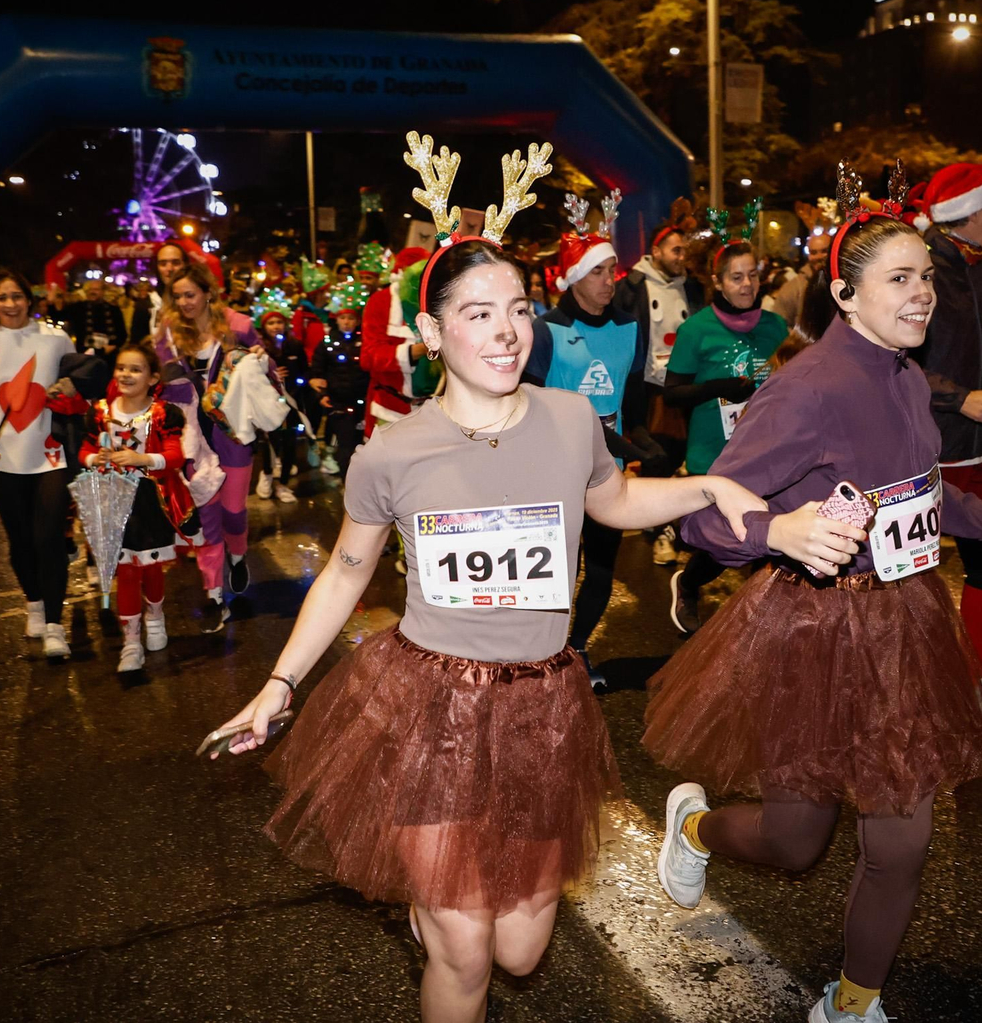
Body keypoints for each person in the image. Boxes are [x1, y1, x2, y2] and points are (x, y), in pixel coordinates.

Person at [212, 135, 771, 1022]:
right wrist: (278, 685)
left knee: (520, 948)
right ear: (431, 331)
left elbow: (615, 501)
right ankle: (439, 916)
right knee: (466, 948)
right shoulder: (390, 452)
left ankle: (444, 911)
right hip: (432, 703)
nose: (506, 330)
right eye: (476, 313)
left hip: (542, 705)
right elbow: (348, 571)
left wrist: (708, 483)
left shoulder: (569, 415)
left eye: (516, 308)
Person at [644, 175, 982, 1023]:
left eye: (927, 276)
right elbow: (707, 512)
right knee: (795, 842)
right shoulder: (809, 387)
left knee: (901, 840)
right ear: (844, 293)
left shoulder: (907, 376)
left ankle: (852, 1003)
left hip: (905, 620)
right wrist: (778, 533)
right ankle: (692, 826)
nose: (923, 293)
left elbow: (919, 495)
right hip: (815, 627)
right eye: (901, 279)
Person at [524, 191, 667, 685]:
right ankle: (541, 652)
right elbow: (530, 407)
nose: (611, 281)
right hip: (556, 472)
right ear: (573, 279)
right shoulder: (546, 331)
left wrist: (641, 446)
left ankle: (577, 648)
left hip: (609, 472)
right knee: (557, 573)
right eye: (599, 272)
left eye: (612, 271)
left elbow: (632, 403)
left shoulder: (629, 328)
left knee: (602, 570)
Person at [910, 162, 982, 730]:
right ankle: (905, 689)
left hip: (973, 447)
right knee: (909, 580)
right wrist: (960, 398)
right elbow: (894, 358)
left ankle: (968, 683)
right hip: (924, 448)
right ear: (976, 211)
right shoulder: (923, 266)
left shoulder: (974, 267)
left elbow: (955, 352)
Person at [663, 237, 789, 636]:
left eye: (752, 275)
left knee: (772, 538)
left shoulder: (776, 328)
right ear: (718, 282)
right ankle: (687, 583)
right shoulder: (696, 330)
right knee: (726, 542)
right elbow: (672, 394)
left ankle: (763, 620)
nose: (747, 284)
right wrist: (718, 387)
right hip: (715, 452)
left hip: (771, 450)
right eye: (737, 277)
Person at [0, 270, 80, 657]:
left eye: (17, 296)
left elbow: (78, 385)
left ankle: (56, 625)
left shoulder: (56, 339)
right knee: (21, 539)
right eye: (2, 297)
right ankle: (35, 603)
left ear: (30, 298)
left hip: (50, 454)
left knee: (48, 538)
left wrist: (71, 394)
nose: (10, 305)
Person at [156, 261, 268, 633]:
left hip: (233, 430)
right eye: (178, 297)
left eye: (191, 294)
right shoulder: (168, 333)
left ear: (207, 293)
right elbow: (165, 384)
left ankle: (238, 557)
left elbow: (264, 364)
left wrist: (259, 362)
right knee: (207, 515)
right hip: (192, 435)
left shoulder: (238, 325)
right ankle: (214, 594)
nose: (185, 302)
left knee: (233, 511)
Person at [78, 345, 191, 672]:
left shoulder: (162, 414)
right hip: (112, 501)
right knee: (125, 572)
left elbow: (175, 456)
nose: (126, 375)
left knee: (150, 568)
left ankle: (155, 617)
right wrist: (92, 458)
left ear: (153, 377)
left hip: (149, 502)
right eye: (121, 368)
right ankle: (131, 642)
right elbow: (84, 448)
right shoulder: (99, 412)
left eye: (136, 369)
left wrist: (142, 459)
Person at [614, 222, 704, 564]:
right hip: (650, 384)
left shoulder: (692, 288)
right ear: (657, 251)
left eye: (684, 251)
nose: (681, 257)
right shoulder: (633, 286)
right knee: (658, 454)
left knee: (681, 454)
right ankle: (657, 521)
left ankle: (659, 518)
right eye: (675, 250)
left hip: (684, 383)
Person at [359, 248, 434, 436]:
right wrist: (419, 350)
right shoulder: (381, 302)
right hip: (391, 411)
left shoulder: (438, 300)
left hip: (436, 413)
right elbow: (369, 357)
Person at [309, 287, 368, 479]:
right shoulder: (327, 343)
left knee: (364, 444)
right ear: (337, 319)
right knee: (345, 446)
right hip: (339, 403)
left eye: (351, 318)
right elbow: (317, 372)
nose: (347, 322)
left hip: (364, 402)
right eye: (343, 318)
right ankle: (347, 481)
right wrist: (321, 396)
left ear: (357, 320)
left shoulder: (365, 341)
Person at [255, 305, 307, 503]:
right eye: (271, 323)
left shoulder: (294, 345)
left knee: (290, 441)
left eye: (279, 322)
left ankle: (283, 483)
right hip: (269, 404)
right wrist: (271, 376)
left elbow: (303, 370)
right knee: (270, 441)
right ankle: (267, 473)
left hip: (292, 401)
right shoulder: (261, 349)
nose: (276, 326)